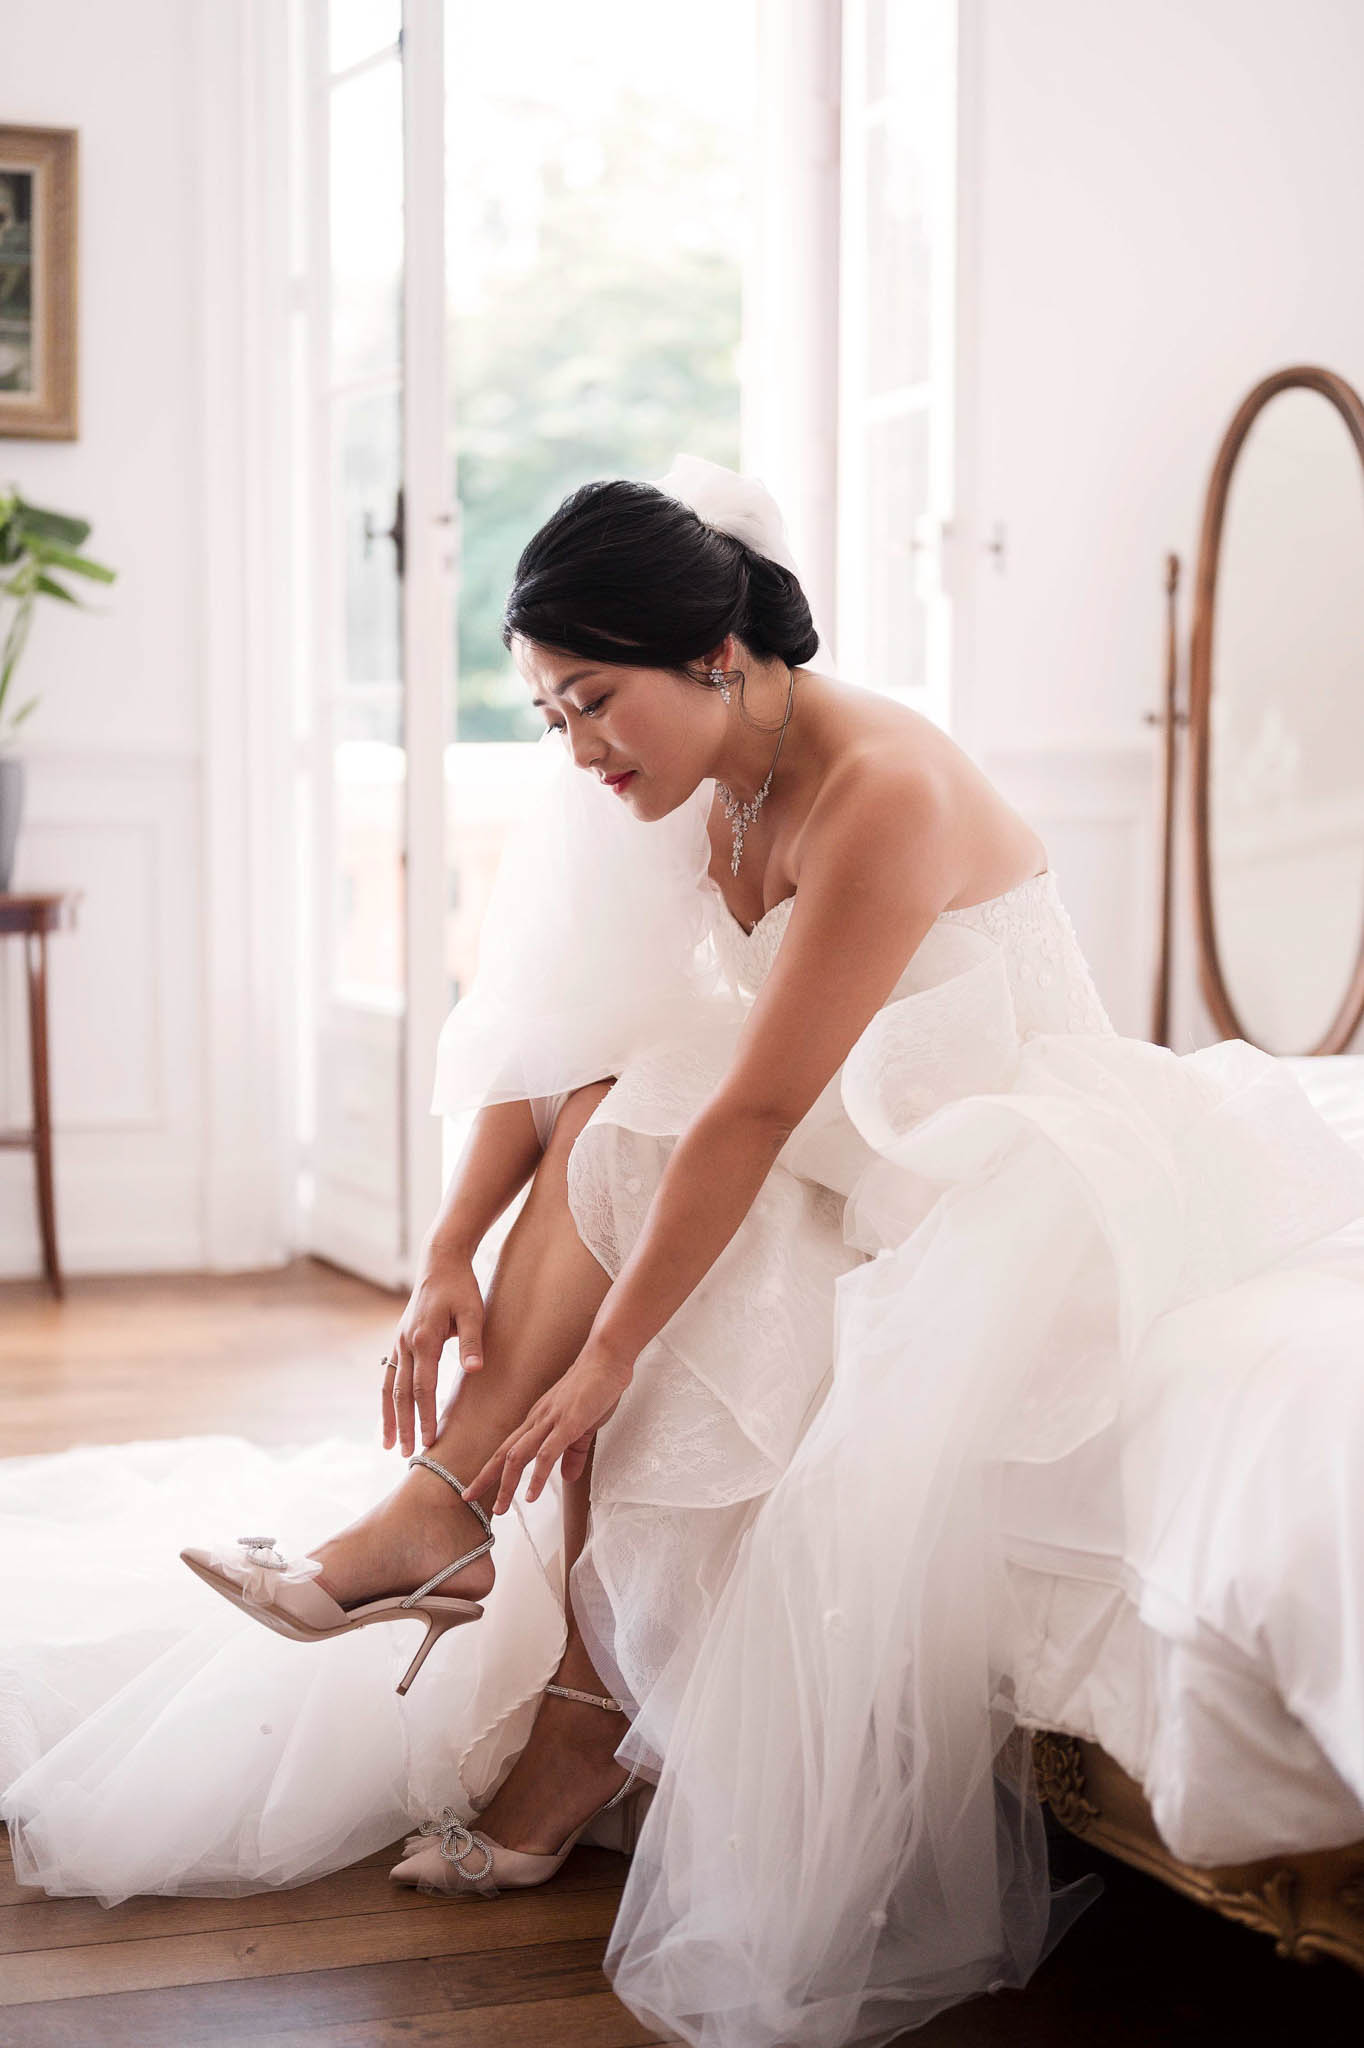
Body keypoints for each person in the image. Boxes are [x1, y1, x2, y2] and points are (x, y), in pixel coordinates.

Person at [6, 456, 1364, 2048]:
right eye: (550, 715)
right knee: (624, 1089)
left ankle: (511, 1626)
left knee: (666, 1141)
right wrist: (448, 1247)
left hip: (973, 1168)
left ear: (717, 655)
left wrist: (608, 1354)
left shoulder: (883, 793)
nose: (578, 748)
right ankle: (477, 1556)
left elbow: (754, 1108)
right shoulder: (690, 771)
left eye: (594, 701)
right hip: (829, 1141)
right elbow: (571, 1040)